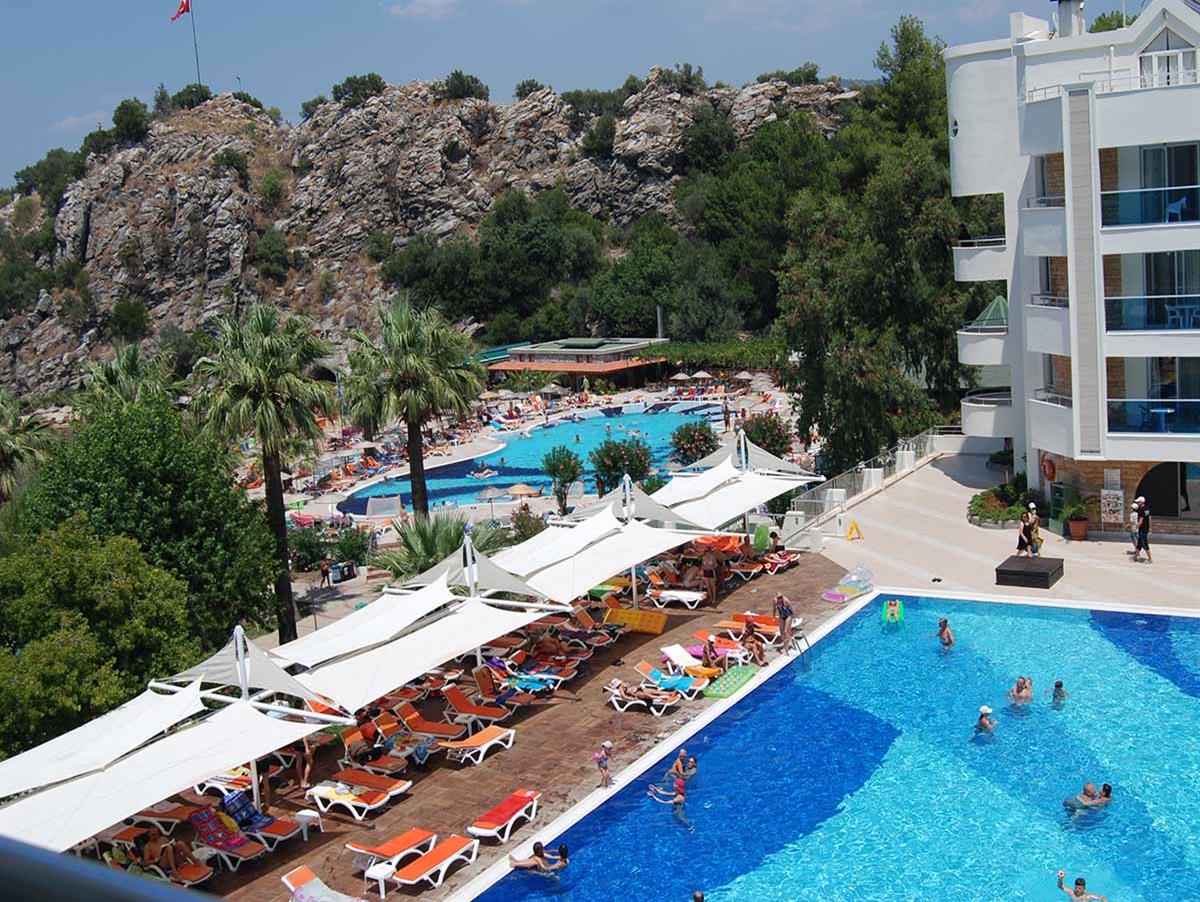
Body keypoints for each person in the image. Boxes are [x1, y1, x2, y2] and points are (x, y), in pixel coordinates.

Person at [133, 831, 201, 880]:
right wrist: (154, 860)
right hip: (163, 863)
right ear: (149, 836)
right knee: (168, 848)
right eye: (153, 835)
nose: (155, 836)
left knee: (180, 843)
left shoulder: (163, 839)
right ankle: (174, 871)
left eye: (156, 834)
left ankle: (195, 861)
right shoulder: (147, 847)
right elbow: (145, 862)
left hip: (173, 859)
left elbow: (173, 848)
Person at [1134, 497, 1152, 563]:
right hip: (1146, 528)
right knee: (1139, 543)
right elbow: (1149, 518)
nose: (1137, 503)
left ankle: (1150, 559)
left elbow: (1141, 521)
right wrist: (1150, 528)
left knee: (1145, 544)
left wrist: (1136, 527)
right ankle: (1135, 557)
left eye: (1138, 502)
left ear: (1141, 502)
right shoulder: (1147, 509)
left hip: (1142, 529)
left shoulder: (1141, 510)